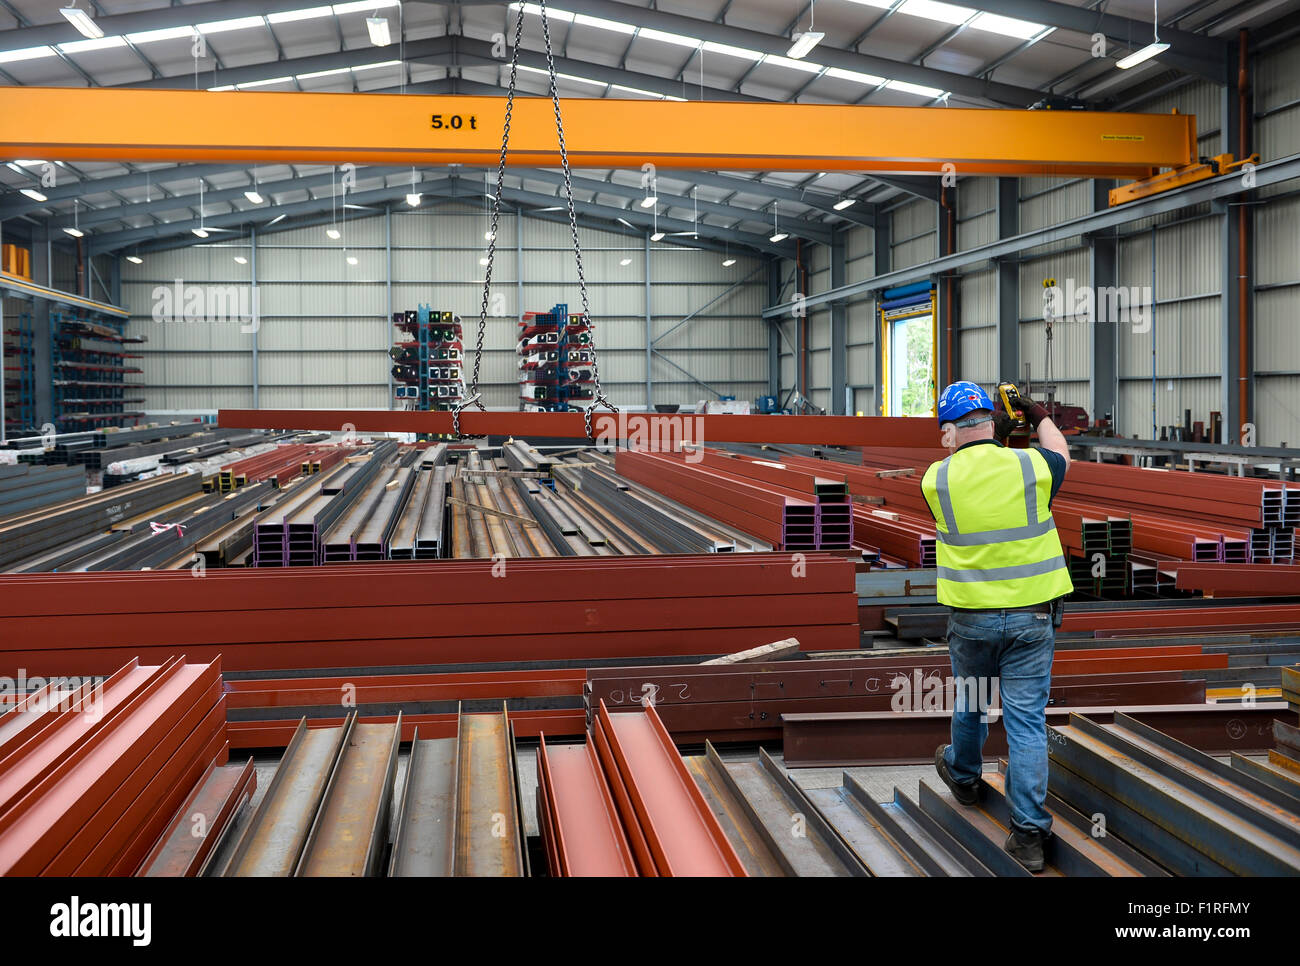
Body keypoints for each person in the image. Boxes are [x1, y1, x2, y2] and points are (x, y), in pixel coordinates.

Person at [919, 381, 1072, 872]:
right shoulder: (1029, 466)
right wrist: (1037, 412)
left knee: (971, 702)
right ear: (994, 419)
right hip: (1031, 619)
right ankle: (1027, 834)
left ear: (948, 431)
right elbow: (1061, 453)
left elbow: (976, 479)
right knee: (1026, 722)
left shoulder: (935, 481)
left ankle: (964, 778)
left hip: (972, 621)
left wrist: (995, 440)